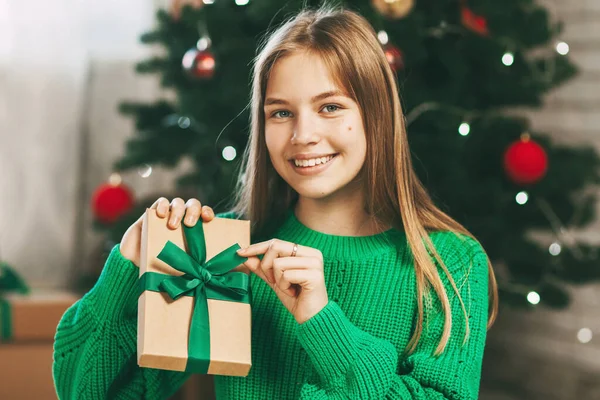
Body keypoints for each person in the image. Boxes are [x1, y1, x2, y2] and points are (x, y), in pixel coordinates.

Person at [53, 4, 499, 399]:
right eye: (281, 113)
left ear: (376, 116)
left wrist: (323, 322)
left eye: (330, 107)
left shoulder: (450, 264)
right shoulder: (224, 256)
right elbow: (86, 391)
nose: (303, 136)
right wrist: (125, 273)